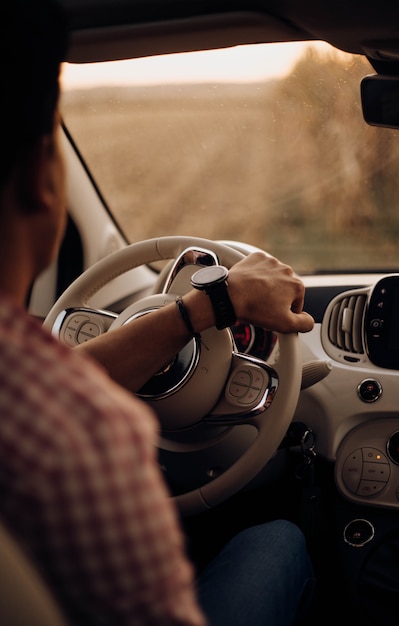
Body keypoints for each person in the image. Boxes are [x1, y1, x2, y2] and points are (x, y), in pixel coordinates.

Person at [0, 1, 315, 625]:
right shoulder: (84, 438)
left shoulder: (38, 402)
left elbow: (52, 381)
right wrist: (211, 306)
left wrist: (206, 307)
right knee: (279, 540)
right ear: (43, 177)